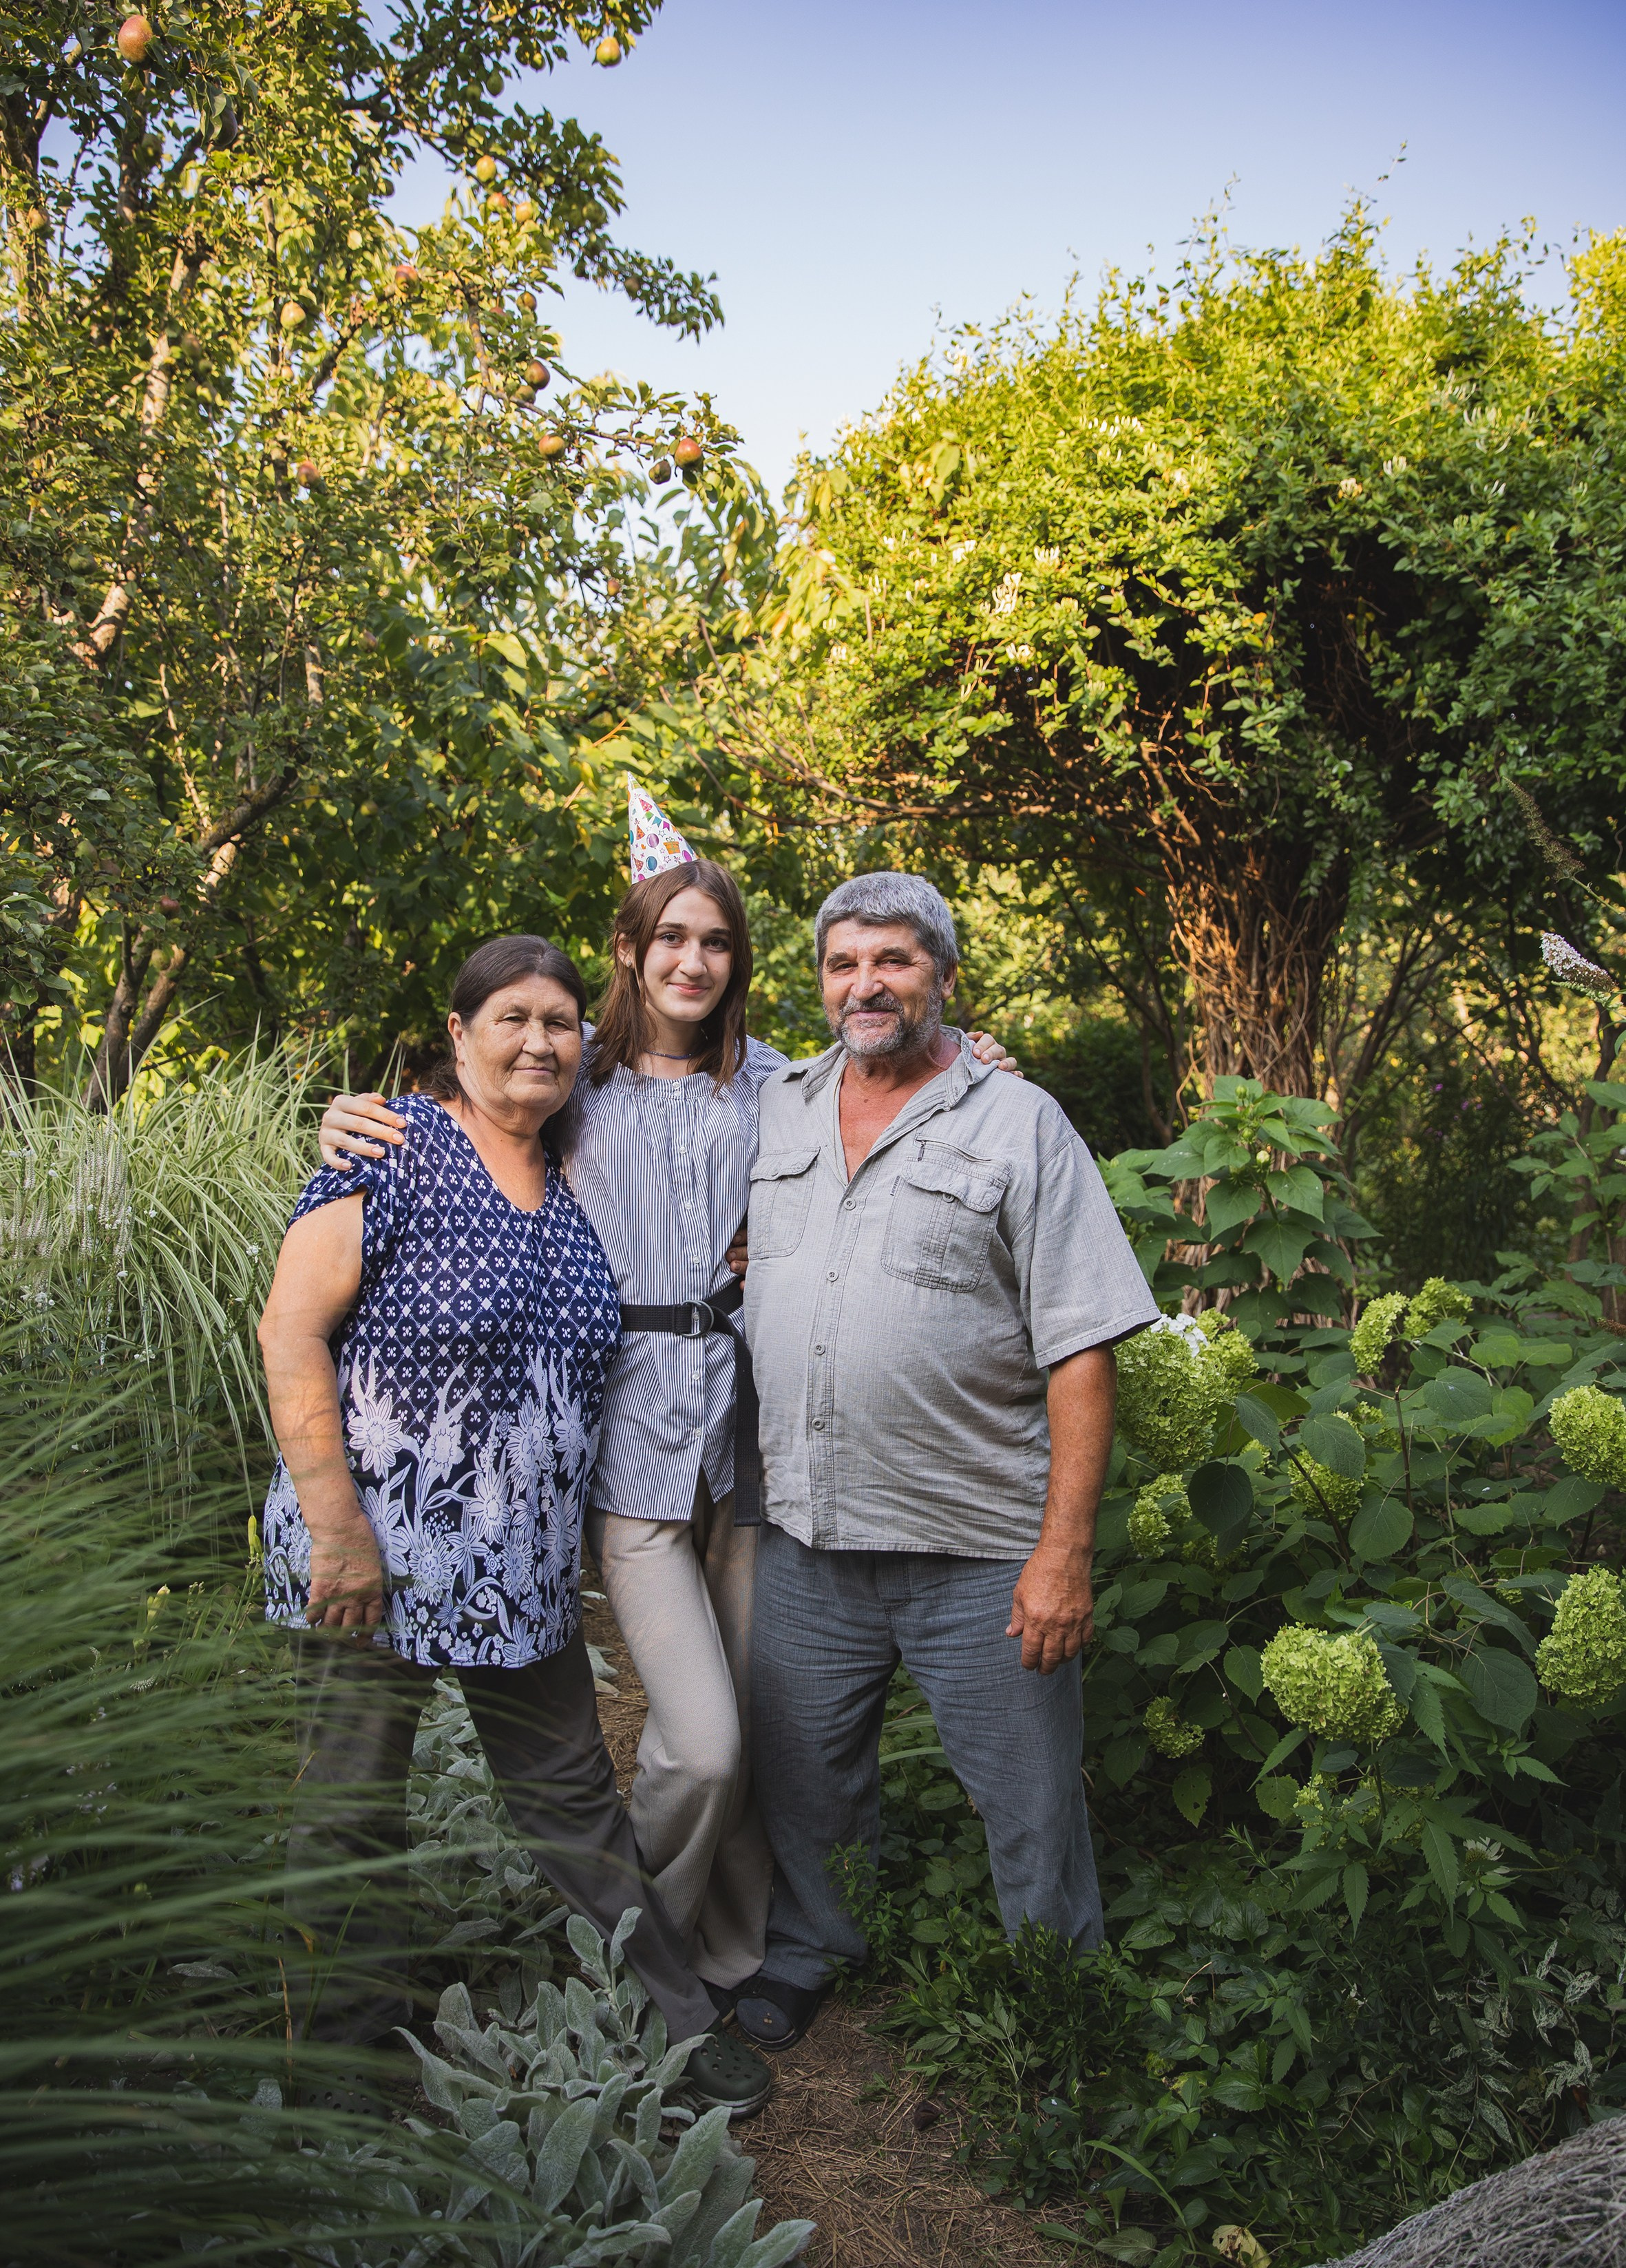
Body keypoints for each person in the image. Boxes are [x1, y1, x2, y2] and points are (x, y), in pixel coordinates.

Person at [314, 789, 1020, 2028]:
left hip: (755, 1441)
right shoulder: (573, 1078)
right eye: (667, 938)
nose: (692, 960)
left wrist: (980, 1058)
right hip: (627, 1442)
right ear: (631, 955)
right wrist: (348, 1121)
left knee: (758, 1723)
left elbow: (901, 1074)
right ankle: (627, 1948)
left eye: (717, 940)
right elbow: (472, 1110)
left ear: (739, 963)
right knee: (698, 1741)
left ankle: (731, 1956)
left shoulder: (783, 1090)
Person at [260, 929, 771, 2117]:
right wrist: (338, 1527)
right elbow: (292, 1332)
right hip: (370, 1555)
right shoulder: (390, 1149)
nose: (539, 1040)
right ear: (459, 1034)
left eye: (559, 1023)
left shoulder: (579, 1169)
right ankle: (341, 2066)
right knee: (346, 1807)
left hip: (518, 1568)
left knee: (574, 1803)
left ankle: (674, 2023)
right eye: (513, 1019)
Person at [729, 872, 1160, 2052]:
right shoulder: (780, 1107)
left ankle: (1057, 2003)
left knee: (1025, 1804)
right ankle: (817, 1946)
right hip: (810, 1537)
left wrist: (1062, 1551)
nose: (864, 983)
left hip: (980, 1546)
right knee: (806, 1782)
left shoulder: (1021, 1124)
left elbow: (1081, 1349)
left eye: (893, 960)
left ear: (945, 978)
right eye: (841, 963)